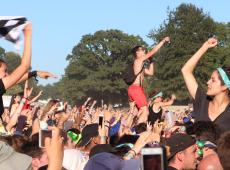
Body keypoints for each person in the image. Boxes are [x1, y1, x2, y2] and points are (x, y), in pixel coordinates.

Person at [181, 38, 230, 132]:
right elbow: (186, 71)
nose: (208, 82)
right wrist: (205, 47)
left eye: (213, 80)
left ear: (224, 86)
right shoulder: (202, 99)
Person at [128, 37, 170, 123]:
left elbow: (151, 73)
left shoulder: (140, 66)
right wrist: (163, 41)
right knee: (145, 111)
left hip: (133, 89)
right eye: (142, 50)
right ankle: (140, 132)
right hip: (136, 89)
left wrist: (151, 61)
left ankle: (130, 129)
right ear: (137, 52)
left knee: (136, 113)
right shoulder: (138, 60)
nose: (144, 51)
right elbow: (153, 51)